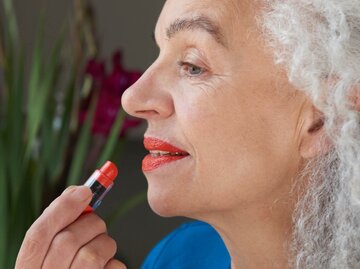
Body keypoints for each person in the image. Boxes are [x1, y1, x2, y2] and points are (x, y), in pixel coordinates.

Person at [16, 0, 360, 268]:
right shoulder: (179, 258)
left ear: (323, 119)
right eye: (159, 54)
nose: (133, 98)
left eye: (193, 66)